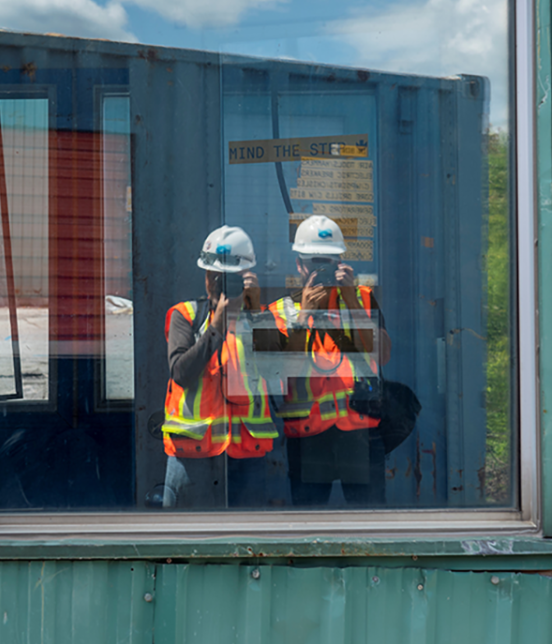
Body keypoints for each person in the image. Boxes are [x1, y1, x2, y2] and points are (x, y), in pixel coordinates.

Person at [260, 215, 391, 506]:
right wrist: (304, 316)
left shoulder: (363, 299)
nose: (321, 269)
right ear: (299, 265)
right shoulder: (280, 311)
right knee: (308, 526)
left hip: (359, 432)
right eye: (314, 262)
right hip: (308, 438)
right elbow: (277, 372)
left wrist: (352, 301)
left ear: (341, 263)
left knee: (369, 524)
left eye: (328, 262)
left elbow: (382, 356)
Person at [160, 225, 279, 508]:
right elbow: (180, 373)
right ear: (205, 277)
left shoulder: (260, 319)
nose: (218, 284)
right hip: (192, 456)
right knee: (184, 544)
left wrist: (254, 310)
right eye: (214, 277)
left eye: (228, 279)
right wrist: (215, 328)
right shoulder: (186, 315)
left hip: (246, 457)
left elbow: (277, 372)